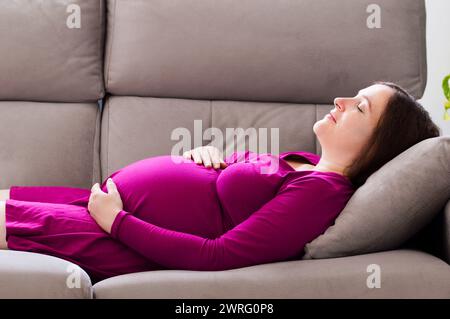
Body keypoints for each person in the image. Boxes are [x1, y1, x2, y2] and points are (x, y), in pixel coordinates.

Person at [0, 82, 440, 283]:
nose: (340, 101)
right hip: (102, 207)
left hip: (119, 238)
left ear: (379, 143)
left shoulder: (322, 195)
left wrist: (117, 222)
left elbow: (219, 256)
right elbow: (235, 192)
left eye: (359, 107)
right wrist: (213, 160)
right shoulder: (306, 165)